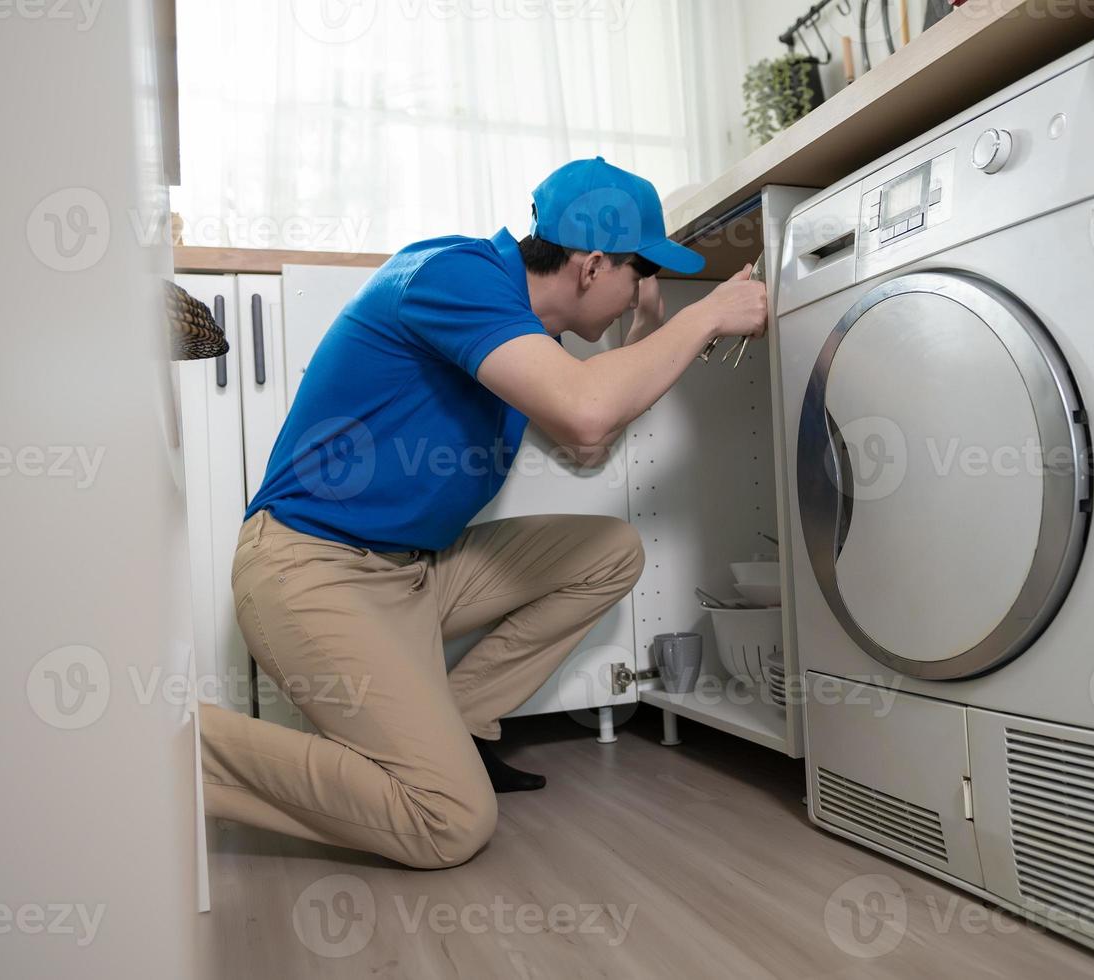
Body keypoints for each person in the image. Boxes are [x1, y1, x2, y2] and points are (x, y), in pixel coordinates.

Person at [198, 157, 768, 869]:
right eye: (640, 272)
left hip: (411, 577)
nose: (643, 293)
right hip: (310, 571)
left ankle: (454, 731)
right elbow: (588, 416)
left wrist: (636, 344)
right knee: (449, 821)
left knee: (610, 550)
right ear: (592, 266)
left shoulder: (525, 337)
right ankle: (175, 753)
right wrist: (707, 313)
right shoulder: (453, 275)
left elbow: (585, 446)